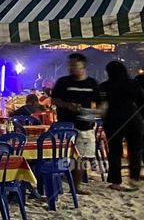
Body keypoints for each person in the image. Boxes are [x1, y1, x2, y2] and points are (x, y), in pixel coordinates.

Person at [51, 53, 101, 194]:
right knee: (64, 156)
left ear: (82, 66)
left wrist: (96, 112)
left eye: (74, 65)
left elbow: (100, 103)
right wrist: (68, 105)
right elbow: (54, 100)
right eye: (70, 64)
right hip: (66, 126)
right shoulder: (63, 82)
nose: (71, 68)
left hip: (86, 125)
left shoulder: (91, 83)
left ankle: (76, 186)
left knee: (83, 157)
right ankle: (62, 183)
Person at [99, 61, 143, 190]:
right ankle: (134, 179)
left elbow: (102, 105)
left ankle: (115, 181)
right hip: (133, 118)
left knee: (114, 150)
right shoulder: (133, 84)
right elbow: (141, 101)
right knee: (135, 150)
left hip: (113, 120)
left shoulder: (105, 86)